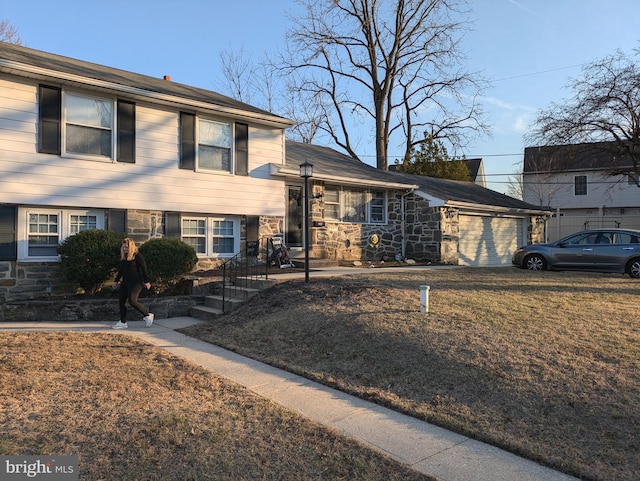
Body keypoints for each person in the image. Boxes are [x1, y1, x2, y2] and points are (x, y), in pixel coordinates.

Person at [111, 238, 154, 329]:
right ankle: (123, 322)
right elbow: (121, 271)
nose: (124, 249)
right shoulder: (124, 257)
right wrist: (116, 281)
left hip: (136, 283)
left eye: (126, 247)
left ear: (131, 247)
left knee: (132, 301)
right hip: (125, 282)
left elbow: (144, 269)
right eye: (123, 247)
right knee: (122, 302)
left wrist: (147, 281)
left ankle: (147, 315)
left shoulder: (137, 256)